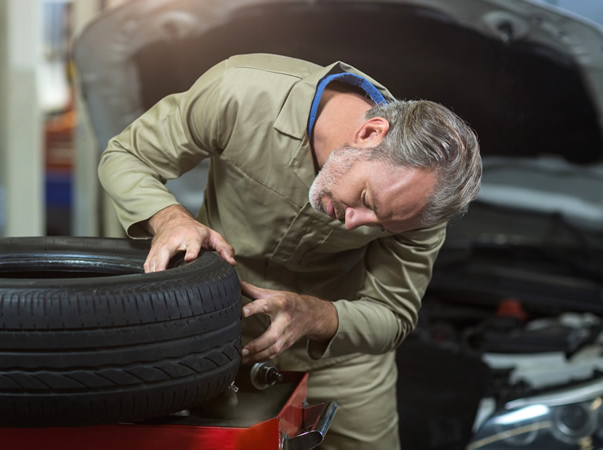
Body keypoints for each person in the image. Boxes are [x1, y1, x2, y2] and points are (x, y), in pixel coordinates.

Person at [97, 53, 482, 450]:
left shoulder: (421, 208)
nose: (355, 223)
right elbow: (127, 155)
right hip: (211, 336)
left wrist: (315, 315)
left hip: (337, 362)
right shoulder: (242, 93)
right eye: (365, 198)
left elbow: (393, 314)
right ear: (370, 133)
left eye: (380, 225)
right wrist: (170, 218)